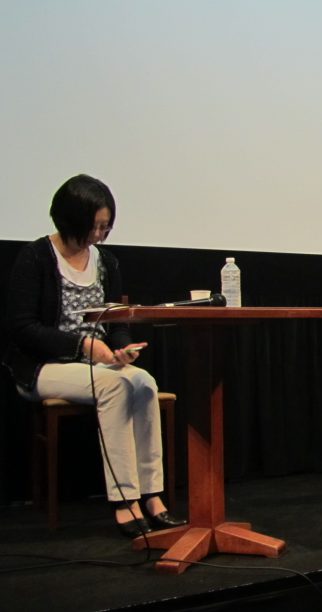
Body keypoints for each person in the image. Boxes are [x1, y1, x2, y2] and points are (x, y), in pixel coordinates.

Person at [3, 174, 185, 538]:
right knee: (114, 386)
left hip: (97, 364)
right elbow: (22, 327)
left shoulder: (106, 262)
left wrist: (121, 349)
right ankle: (124, 500)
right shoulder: (36, 257)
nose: (101, 234)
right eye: (96, 226)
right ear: (71, 219)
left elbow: (116, 321)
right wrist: (83, 347)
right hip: (43, 367)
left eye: (106, 226)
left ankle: (152, 495)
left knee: (143, 381)